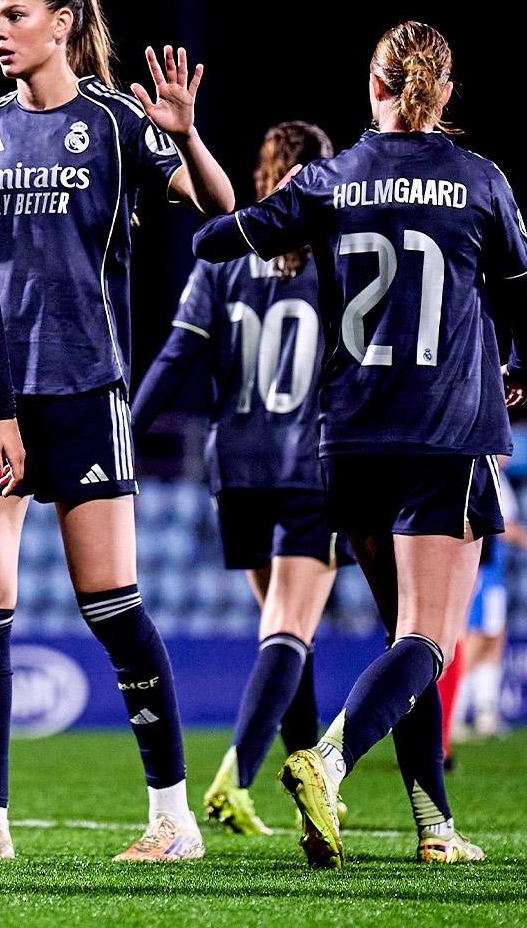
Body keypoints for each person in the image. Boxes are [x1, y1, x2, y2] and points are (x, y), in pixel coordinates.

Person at [194, 20, 527, 867]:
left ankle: (435, 825)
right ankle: (326, 759)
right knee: (428, 640)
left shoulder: (328, 178)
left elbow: (219, 239)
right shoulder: (477, 180)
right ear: (445, 91)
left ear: (372, 85)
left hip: (347, 443)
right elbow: (526, 303)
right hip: (444, 431)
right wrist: (520, 367)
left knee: (403, 641)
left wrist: (185, 147)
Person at [0, 0, 236, 863]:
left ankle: (171, 815)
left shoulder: (114, 121)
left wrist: (184, 135)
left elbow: (221, 214)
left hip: (83, 389)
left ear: (62, 21)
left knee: (110, 604)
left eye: (13, 14)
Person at [133, 121, 341, 836]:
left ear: (261, 175)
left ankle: (311, 794)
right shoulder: (337, 255)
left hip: (236, 467)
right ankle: (236, 773)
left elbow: (175, 356)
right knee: (290, 625)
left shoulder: (224, 251)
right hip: (309, 463)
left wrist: (125, 430)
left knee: (287, 630)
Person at [442, 460, 527, 744]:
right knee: (474, 639)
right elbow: (503, 526)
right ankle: (454, 716)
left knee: (494, 637)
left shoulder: (498, 478)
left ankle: (485, 713)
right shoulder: (480, 470)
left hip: (493, 568)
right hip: (482, 567)